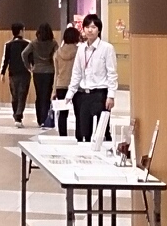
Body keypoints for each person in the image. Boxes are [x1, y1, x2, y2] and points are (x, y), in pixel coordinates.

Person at [68, 14, 118, 144]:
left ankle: (105, 153)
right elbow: (76, 72)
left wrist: (111, 95)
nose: (90, 30)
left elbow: (112, 73)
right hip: (83, 94)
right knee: (84, 131)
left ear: (99, 30)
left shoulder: (107, 48)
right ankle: (84, 154)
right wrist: (70, 92)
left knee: (103, 130)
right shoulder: (81, 48)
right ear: (83, 29)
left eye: (93, 27)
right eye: (87, 27)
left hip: (100, 93)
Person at [22, 22, 59, 128]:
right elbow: (57, 55)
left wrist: (28, 66)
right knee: (47, 95)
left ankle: (39, 119)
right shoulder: (53, 43)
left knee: (39, 95)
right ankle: (45, 118)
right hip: (50, 71)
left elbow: (24, 53)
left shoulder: (34, 43)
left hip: (37, 71)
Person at [53, 25, 82, 137]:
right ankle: (79, 135)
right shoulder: (79, 51)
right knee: (79, 113)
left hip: (60, 85)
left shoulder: (57, 53)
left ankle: (62, 135)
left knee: (62, 113)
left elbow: (56, 73)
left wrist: (54, 90)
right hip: (76, 86)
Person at [0, 22, 31, 126]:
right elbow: (31, 58)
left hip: (12, 73)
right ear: (21, 31)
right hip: (25, 73)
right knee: (22, 95)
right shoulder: (27, 44)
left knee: (15, 95)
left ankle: (16, 116)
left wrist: (2, 72)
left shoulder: (8, 44)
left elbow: (5, 59)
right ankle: (18, 117)